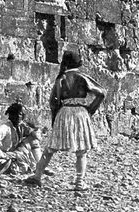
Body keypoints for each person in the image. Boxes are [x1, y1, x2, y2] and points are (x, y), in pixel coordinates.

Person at [27, 50, 106, 193]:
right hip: (80, 113)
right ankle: (79, 182)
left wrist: (55, 119)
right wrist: (90, 109)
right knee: (82, 151)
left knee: (50, 148)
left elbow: (54, 102)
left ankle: (37, 175)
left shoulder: (61, 78)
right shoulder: (83, 77)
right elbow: (101, 93)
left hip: (64, 113)